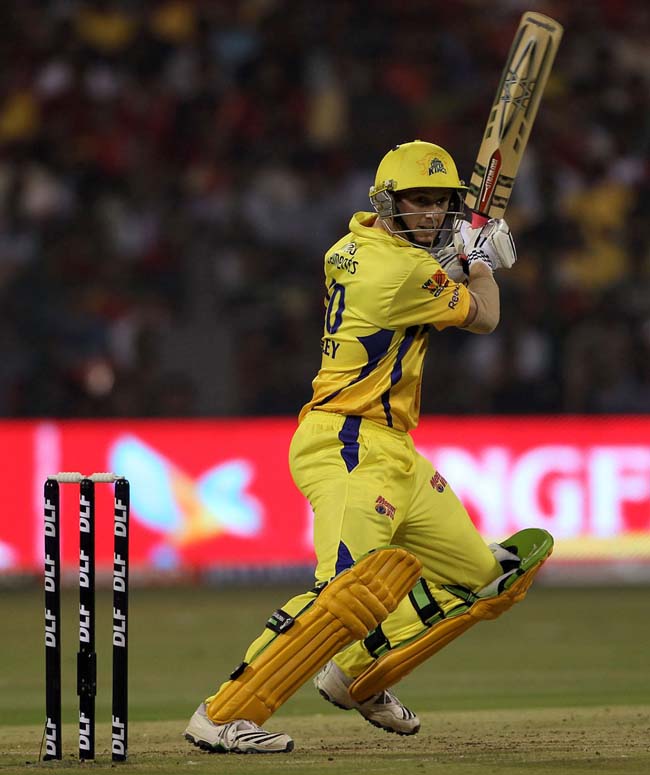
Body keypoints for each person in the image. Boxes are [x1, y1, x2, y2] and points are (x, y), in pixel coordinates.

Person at [184, 140, 551, 754]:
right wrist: (482, 264)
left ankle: (355, 671)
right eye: (418, 200)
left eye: (440, 202)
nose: (431, 213)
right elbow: (485, 316)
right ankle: (222, 714)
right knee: (345, 591)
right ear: (388, 202)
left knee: (490, 579)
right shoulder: (401, 272)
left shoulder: (351, 246)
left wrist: (457, 257)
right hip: (349, 444)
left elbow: (419, 271)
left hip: (394, 451)